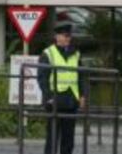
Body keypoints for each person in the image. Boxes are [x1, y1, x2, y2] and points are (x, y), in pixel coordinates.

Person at [37, 21, 86, 154]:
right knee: (52, 138)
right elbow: (42, 78)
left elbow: (81, 76)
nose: (68, 38)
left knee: (68, 139)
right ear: (57, 36)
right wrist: (48, 97)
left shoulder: (76, 54)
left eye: (69, 36)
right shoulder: (48, 53)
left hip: (71, 100)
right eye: (65, 36)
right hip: (55, 100)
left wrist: (82, 95)